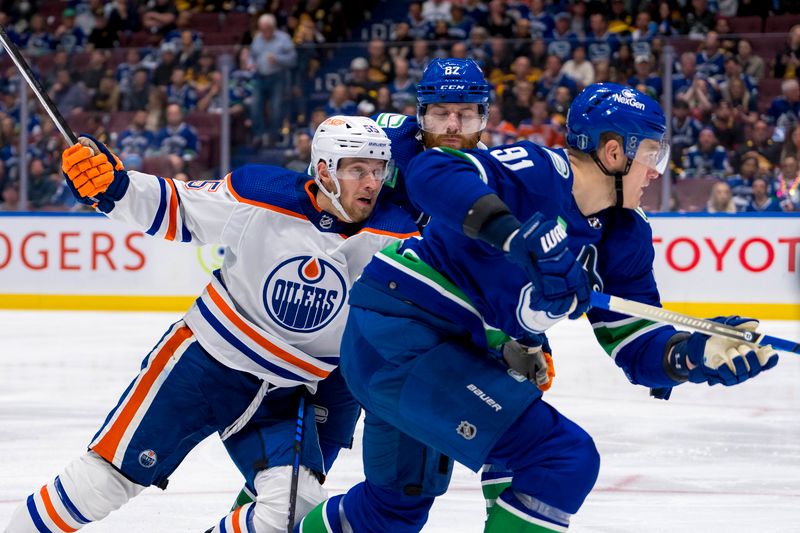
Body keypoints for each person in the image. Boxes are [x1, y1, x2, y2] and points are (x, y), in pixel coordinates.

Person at [298, 83, 780, 532]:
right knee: (559, 457)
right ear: (615, 152)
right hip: (399, 332)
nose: (656, 170)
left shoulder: (625, 235)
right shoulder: (536, 172)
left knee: (392, 509)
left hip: (452, 355)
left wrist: (693, 354)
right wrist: (512, 235)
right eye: (651, 154)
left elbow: (637, 346)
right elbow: (432, 171)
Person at [7, 116, 420, 532]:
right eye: (358, 170)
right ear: (326, 169)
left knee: (295, 507)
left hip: (283, 395)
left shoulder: (397, 233)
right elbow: (177, 206)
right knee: (103, 483)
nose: (371, 182)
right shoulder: (260, 194)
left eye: (378, 170)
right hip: (202, 366)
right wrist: (113, 186)